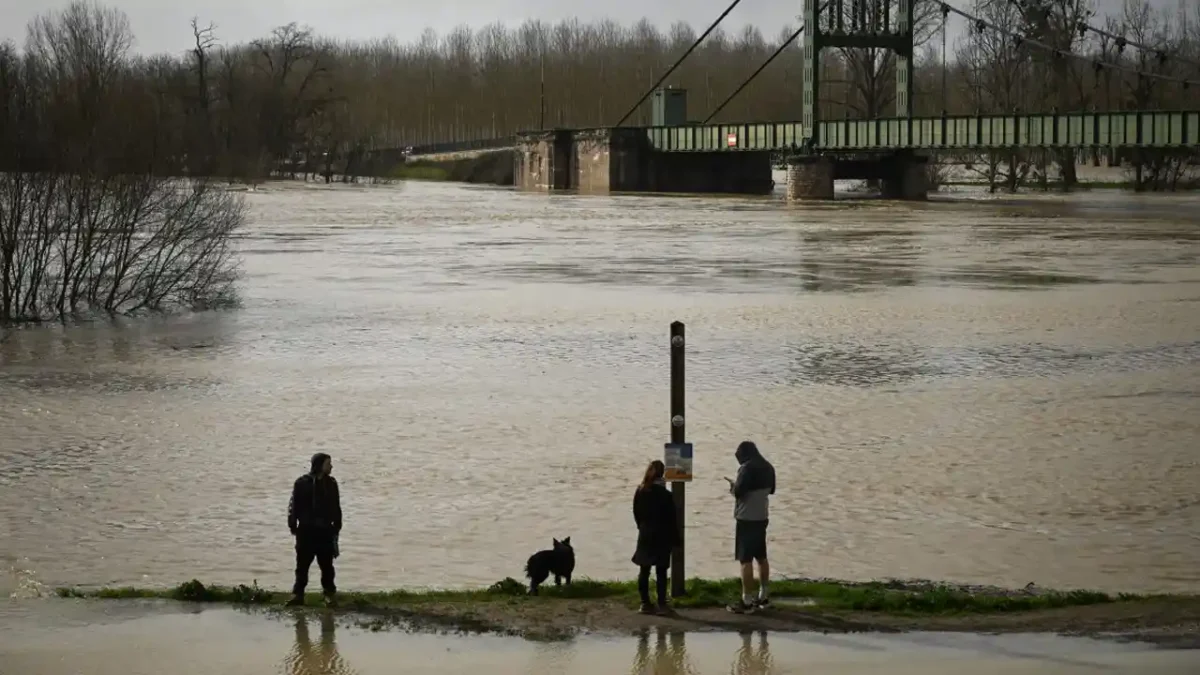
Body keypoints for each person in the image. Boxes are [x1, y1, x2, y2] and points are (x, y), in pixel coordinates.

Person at [725, 441, 775, 614]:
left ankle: (746, 601)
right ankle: (764, 596)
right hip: (762, 517)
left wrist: (733, 487)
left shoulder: (746, 469)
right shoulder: (768, 467)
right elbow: (772, 490)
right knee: (761, 557)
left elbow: (739, 492)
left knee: (745, 560)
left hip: (746, 519)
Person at [287, 452, 342, 607]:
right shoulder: (301, 483)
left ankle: (329, 595)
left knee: (327, 566)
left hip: (325, 530)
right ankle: (298, 595)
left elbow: (336, 506)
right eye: (328, 464)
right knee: (302, 566)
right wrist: (292, 524)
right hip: (305, 531)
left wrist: (337, 525)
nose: (331, 466)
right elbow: (293, 505)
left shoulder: (331, 483)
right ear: (319, 465)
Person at [632, 460, 679, 615]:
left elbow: (636, 513)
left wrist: (641, 527)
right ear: (663, 474)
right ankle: (662, 605)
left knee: (644, 570)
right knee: (661, 571)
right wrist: (676, 539)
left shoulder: (640, 491)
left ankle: (644, 603)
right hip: (662, 536)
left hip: (645, 534)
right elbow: (672, 519)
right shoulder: (665, 495)